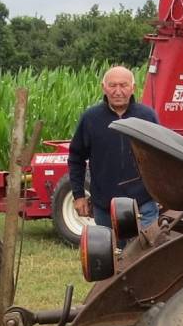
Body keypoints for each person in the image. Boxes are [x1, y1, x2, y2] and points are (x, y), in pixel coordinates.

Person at [67, 64, 160, 231]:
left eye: (123, 85)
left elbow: (161, 158)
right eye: (112, 85)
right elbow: (76, 158)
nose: (118, 91)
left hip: (143, 204)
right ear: (104, 88)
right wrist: (78, 195)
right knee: (111, 255)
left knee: (146, 253)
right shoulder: (90, 119)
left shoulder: (147, 117)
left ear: (133, 88)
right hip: (105, 206)